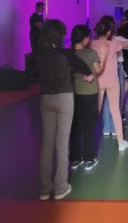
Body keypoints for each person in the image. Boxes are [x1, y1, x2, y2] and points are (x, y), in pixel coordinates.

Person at [36, 19, 93, 201]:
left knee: (47, 144)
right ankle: (61, 187)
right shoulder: (66, 54)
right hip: (64, 99)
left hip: (46, 99)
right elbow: (84, 68)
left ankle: (45, 189)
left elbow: (34, 75)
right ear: (59, 35)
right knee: (61, 144)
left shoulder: (39, 55)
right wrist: (88, 75)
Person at [91, 16, 128, 152]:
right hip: (112, 82)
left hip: (98, 81)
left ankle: (89, 143)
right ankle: (121, 142)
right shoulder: (113, 43)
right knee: (115, 110)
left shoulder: (92, 43)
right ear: (109, 32)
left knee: (96, 111)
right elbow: (127, 45)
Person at [69, 25, 101, 171]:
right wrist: (103, 59)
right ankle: (89, 159)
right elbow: (98, 71)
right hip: (90, 93)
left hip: (74, 93)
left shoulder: (69, 54)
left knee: (76, 126)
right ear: (85, 39)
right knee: (89, 126)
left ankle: (76, 159)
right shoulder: (91, 53)